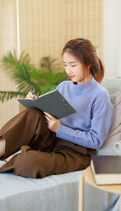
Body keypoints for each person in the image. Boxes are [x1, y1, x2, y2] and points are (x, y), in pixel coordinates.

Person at [0, 38, 114, 178]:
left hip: (75, 153)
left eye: (73, 65)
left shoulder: (100, 96)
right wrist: (35, 102)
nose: (68, 70)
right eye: (65, 65)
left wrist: (60, 129)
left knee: (28, 162)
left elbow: (96, 140)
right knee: (33, 113)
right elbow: (43, 114)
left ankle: (20, 156)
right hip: (51, 140)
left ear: (88, 63)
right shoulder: (64, 87)